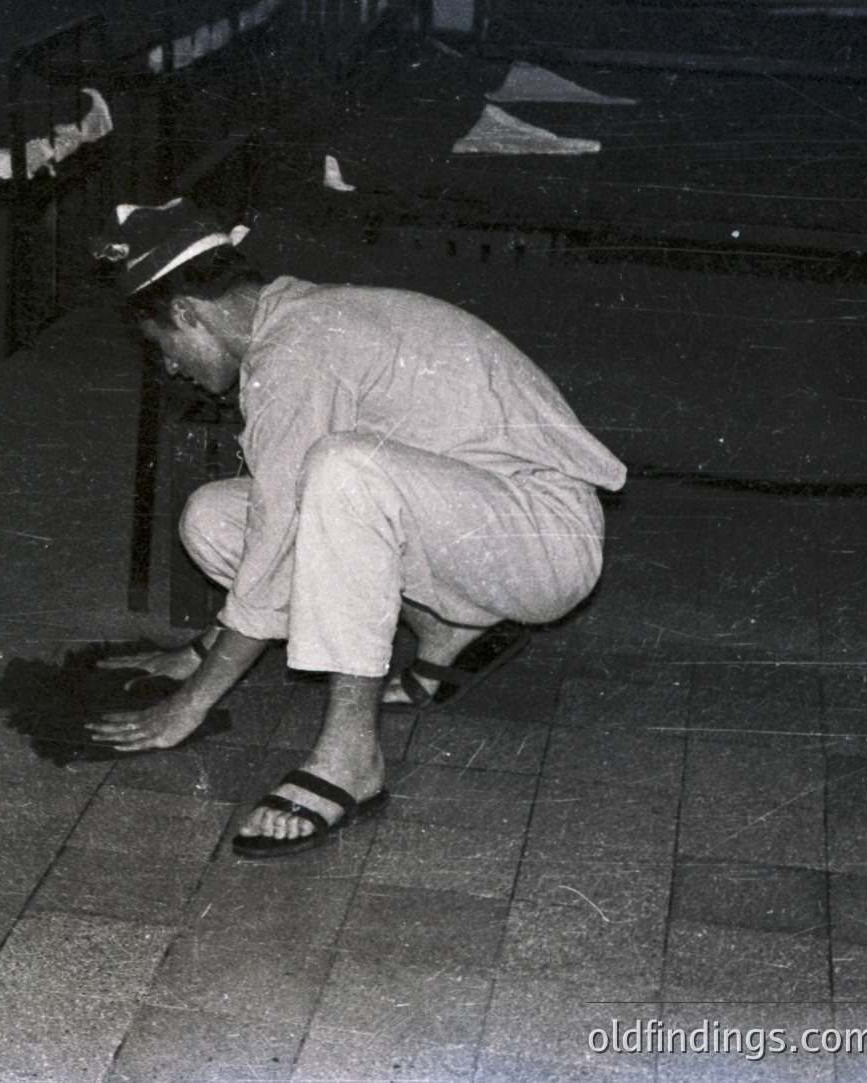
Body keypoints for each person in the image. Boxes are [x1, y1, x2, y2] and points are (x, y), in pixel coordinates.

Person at [88, 199, 626, 858]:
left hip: (545, 541)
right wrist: (199, 653)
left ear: (187, 313)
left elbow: (283, 540)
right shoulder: (292, 323)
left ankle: (350, 757)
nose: (171, 367)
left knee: (343, 473)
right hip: (484, 526)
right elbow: (274, 528)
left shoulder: (296, 351)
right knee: (215, 515)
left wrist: (191, 703)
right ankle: (449, 630)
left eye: (161, 347)